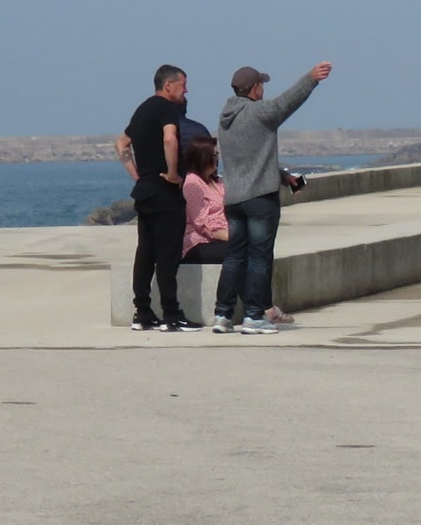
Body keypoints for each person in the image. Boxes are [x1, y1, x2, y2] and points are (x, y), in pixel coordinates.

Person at [214, 61, 332, 334]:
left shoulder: (225, 118)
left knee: (234, 258)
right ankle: (254, 316)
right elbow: (286, 103)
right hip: (259, 199)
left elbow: (250, 158)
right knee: (259, 257)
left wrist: (282, 176)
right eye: (262, 85)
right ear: (254, 88)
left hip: (234, 199)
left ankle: (223, 314)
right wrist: (311, 78)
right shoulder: (260, 112)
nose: (264, 89)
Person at [117, 65, 199, 332]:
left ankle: (142, 312)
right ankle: (171, 314)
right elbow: (170, 140)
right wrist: (174, 174)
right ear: (168, 85)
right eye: (183, 84)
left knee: (145, 253)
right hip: (164, 192)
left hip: (145, 191)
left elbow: (121, 144)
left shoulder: (142, 109)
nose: (186, 90)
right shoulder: (167, 109)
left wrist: (137, 175)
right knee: (167, 254)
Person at [180, 135, 230, 265]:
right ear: (203, 157)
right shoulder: (193, 184)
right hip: (199, 241)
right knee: (236, 253)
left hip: (221, 236)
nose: (217, 158)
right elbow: (201, 223)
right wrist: (228, 236)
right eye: (214, 154)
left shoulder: (216, 181)